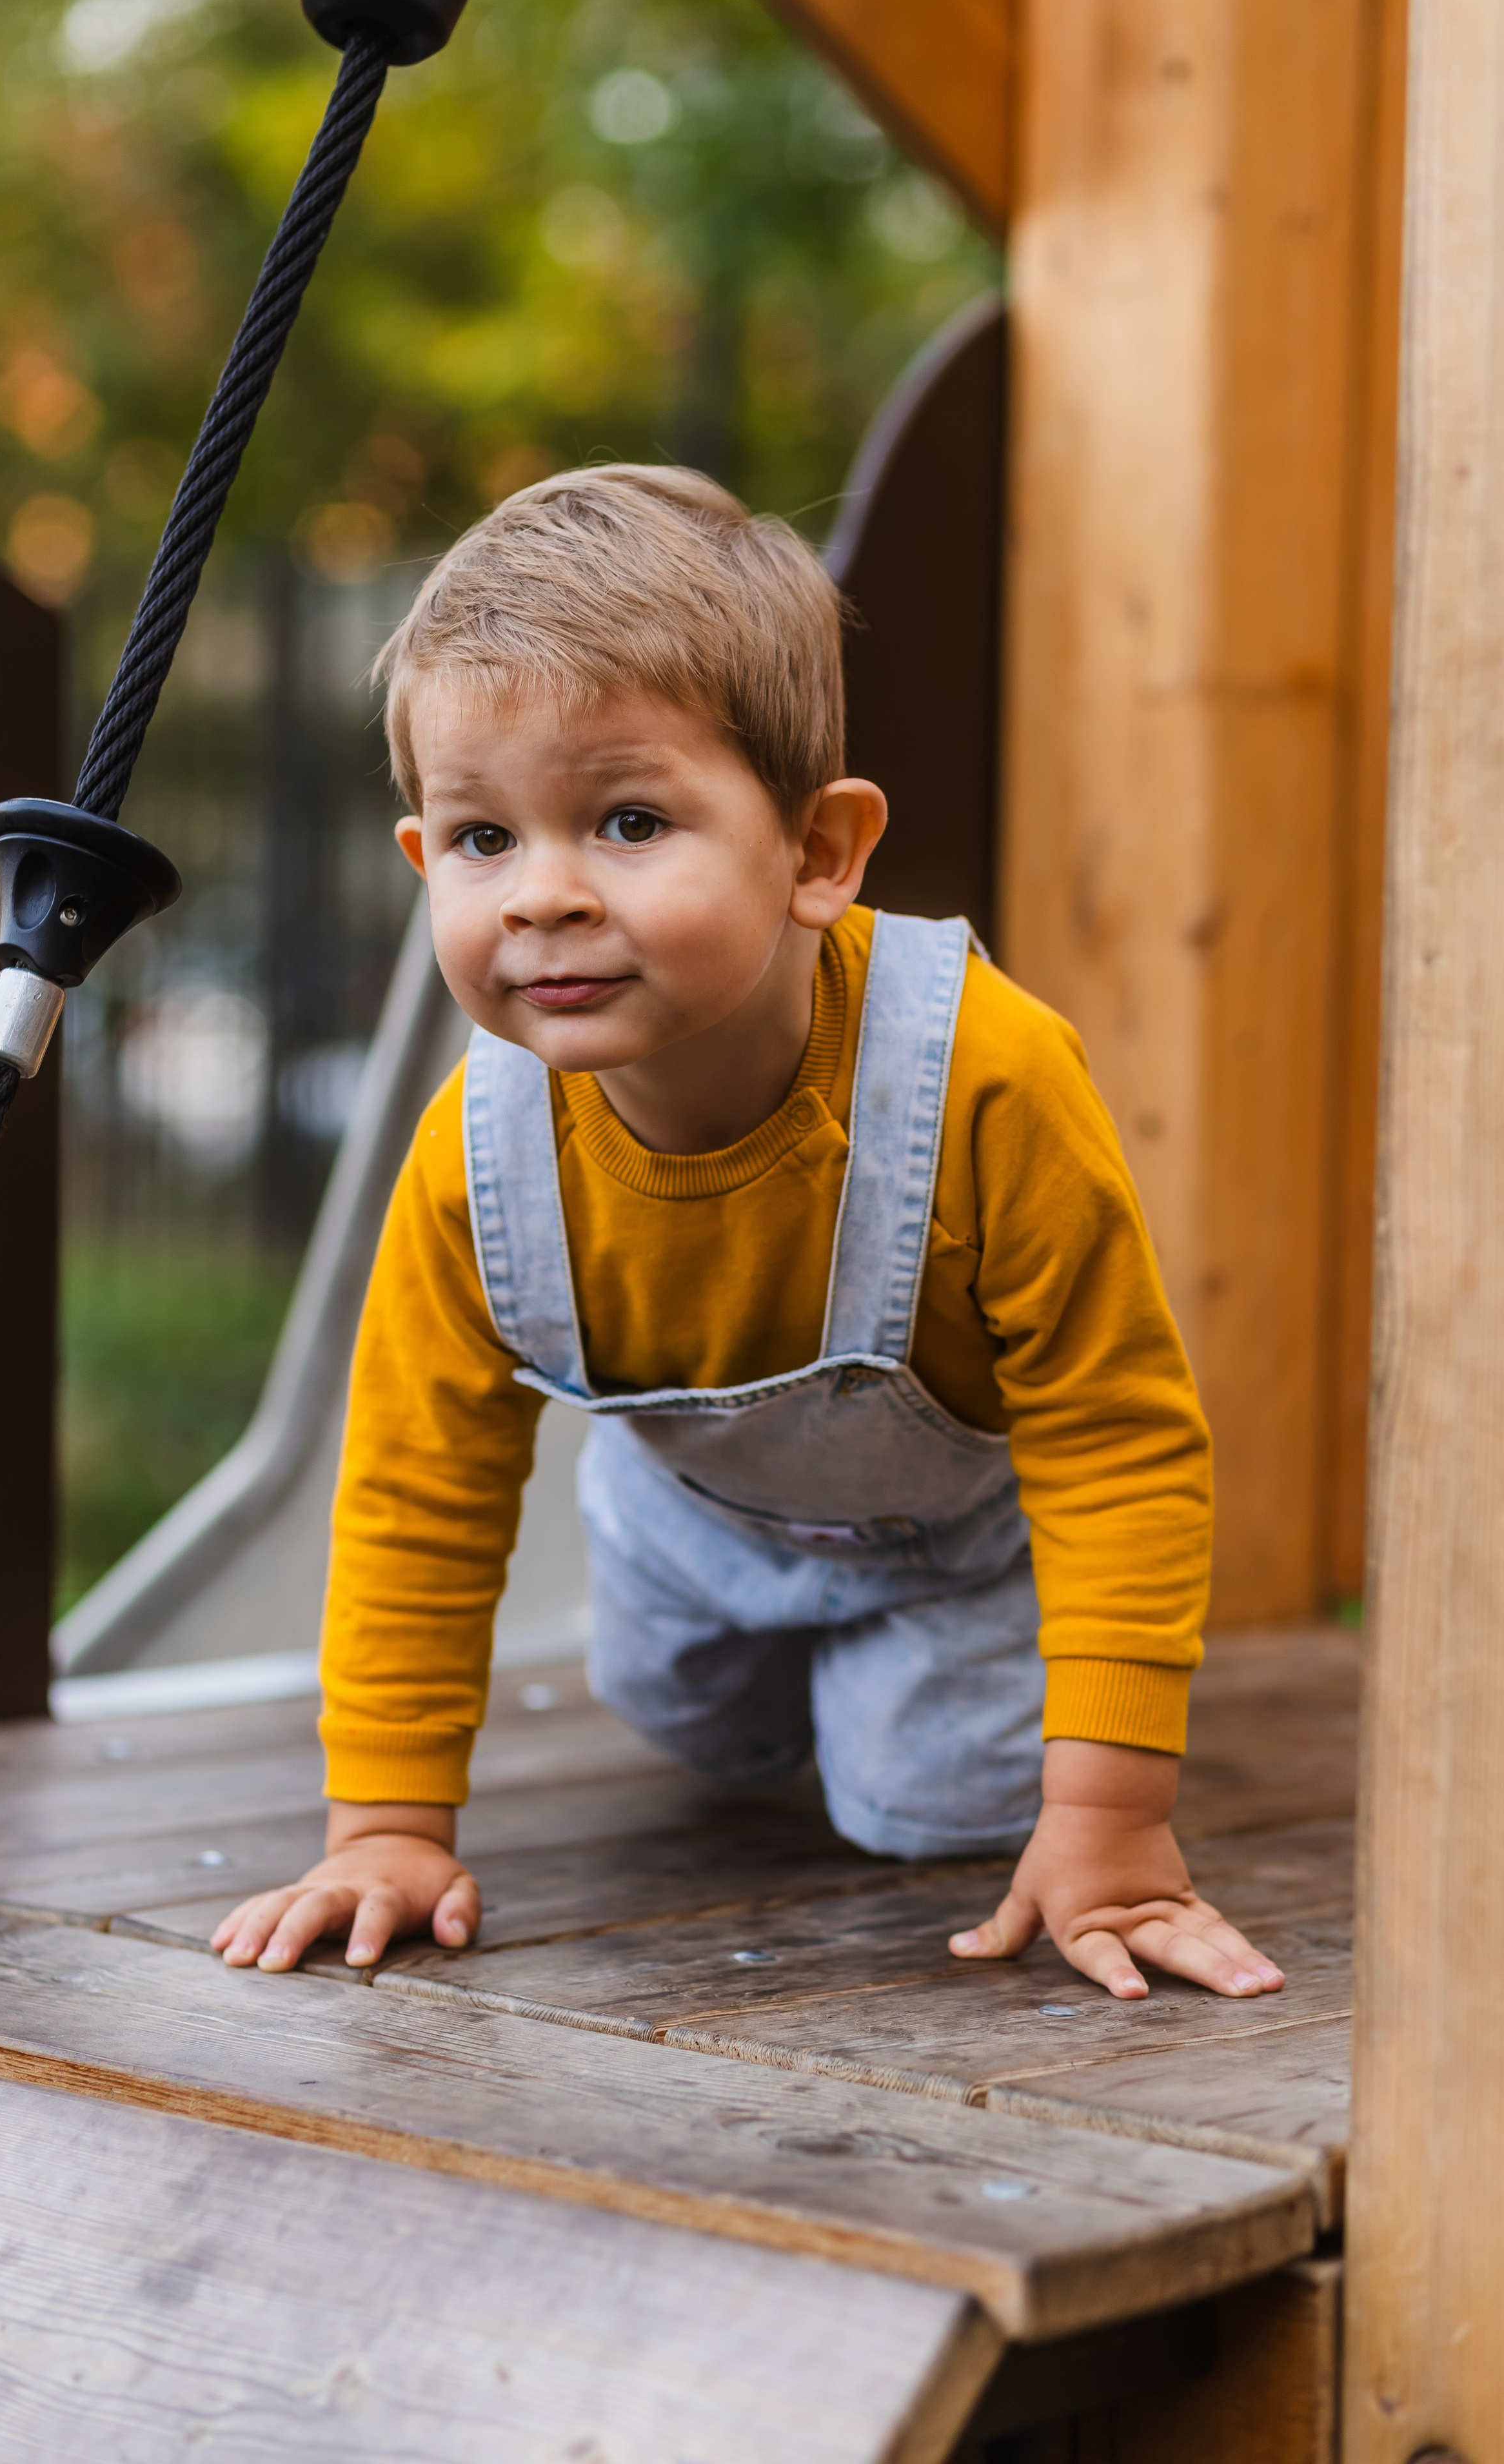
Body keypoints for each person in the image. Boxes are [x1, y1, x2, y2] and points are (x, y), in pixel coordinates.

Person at [214, 464, 1283, 2005]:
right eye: (482, 840)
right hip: (700, 1528)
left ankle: (966, 1689)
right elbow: (414, 1486)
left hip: (966, 1549)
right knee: (684, 1719)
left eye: (628, 820)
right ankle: (783, 1671)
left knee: (920, 1802)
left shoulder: (980, 1075)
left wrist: (1112, 1818)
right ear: (419, 862)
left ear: (817, 852)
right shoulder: (480, 1152)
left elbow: (1116, 1436)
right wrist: (384, 1827)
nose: (544, 898)